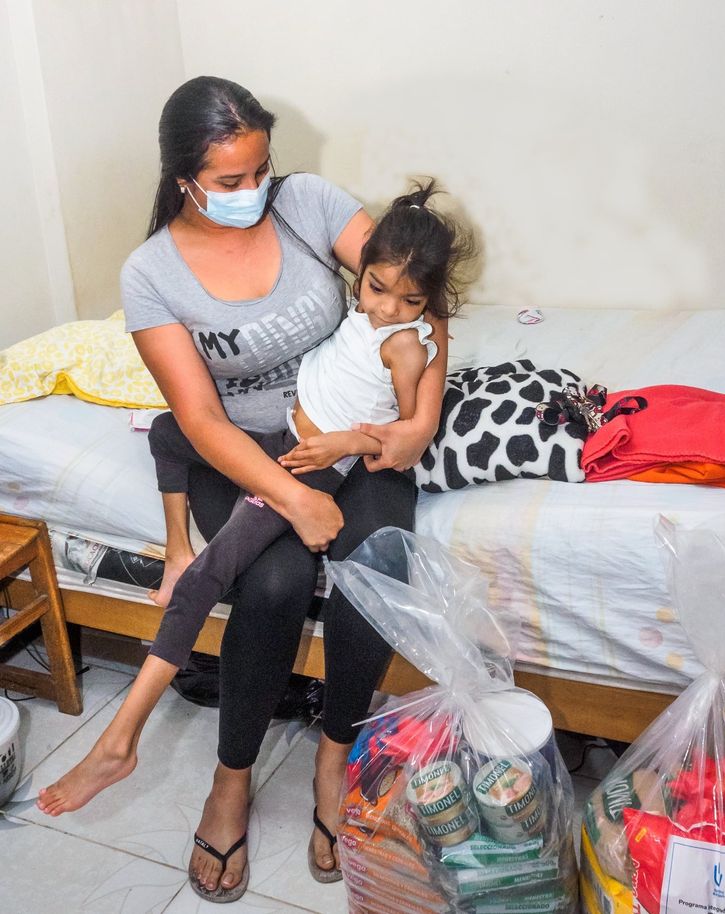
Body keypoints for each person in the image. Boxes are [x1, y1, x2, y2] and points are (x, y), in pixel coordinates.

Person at [36, 76, 464, 902]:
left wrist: (416, 421)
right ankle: (230, 778)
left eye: (260, 170)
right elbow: (197, 419)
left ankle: (332, 763)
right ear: (183, 178)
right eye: (231, 182)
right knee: (268, 581)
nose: (252, 193)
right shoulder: (150, 273)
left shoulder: (305, 203)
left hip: (346, 432)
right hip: (241, 447)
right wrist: (295, 497)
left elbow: (418, 285)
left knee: (377, 562)